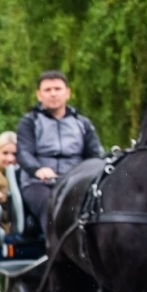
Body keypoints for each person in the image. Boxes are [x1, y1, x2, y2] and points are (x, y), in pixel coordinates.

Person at [15, 71, 103, 232]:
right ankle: (54, 250)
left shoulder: (82, 123)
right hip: (39, 183)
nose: (53, 94)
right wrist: (38, 170)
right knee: (52, 206)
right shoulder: (29, 122)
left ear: (67, 93)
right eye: (48, 90)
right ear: (39, 95)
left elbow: (96, 154)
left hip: (76, 180)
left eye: (57, 89)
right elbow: (24, 152)